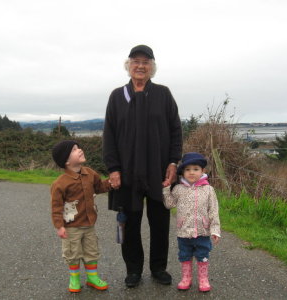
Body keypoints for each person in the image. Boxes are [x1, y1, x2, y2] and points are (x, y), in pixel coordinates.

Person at [103, 45, 183, 287]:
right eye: (136, 61)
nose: (140, 66)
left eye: (146, 62)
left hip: (159, 171)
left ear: (152, 67)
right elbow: (109, 135)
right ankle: (133, 270)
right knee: (130, 223)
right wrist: (113, 168)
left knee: (160, 223)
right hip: (127, 173)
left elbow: (176, 131)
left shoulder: (163, 94)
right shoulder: (118, 96)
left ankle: (158, 268)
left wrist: (173, 162)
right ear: (128, 65)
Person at [51, 140, 111, 293]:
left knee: (91, 252)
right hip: (71, 227)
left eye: (78, 147)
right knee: (72, 253)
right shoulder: (60, 183)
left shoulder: (90, 173)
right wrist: (59, 226)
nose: (79, 150)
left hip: (89, 224)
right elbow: (56, 207)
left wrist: (112, 182)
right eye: (74, 149)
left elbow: (100, 187)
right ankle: (74, 278)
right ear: (66, 160)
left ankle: (92, 277)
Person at [163, 152, 221, 292]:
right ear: (182, 172)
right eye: (187, 169)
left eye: (196, 169)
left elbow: (213, 211)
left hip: (203, 232)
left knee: (202, 256)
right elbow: (169, 205)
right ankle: (186, 279)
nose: (191, 173)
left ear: (203, 171)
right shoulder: (178, 189)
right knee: (184, 256)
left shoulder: (208, 190)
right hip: (184, 232)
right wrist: (165, 190)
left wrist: (215, 230)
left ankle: (203, 279)